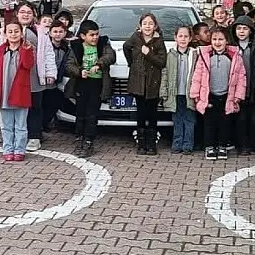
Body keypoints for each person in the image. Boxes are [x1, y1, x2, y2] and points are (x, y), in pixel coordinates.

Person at [190, 27, 247, 160]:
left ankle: (222, 146)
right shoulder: (205, 56)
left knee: (224, 123)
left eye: (220, 39)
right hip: (209, 95)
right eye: (214, 39)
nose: (217, 42)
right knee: (209, 123)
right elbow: (197, 76)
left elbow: (241, 76)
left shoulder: (234, 57)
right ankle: (209, 146)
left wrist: (239, 95)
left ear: (226, 40)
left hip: (227, 95)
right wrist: (195, 94)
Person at [65, 19, 117, 157]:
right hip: (81, 83)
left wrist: (99, 65)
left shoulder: (103, 44)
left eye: (96, 34)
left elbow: (111, 56)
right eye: (91, 35)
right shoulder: (76, 47)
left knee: (92, 113)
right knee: (80, 112)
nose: (95, 37)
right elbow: (69, 65)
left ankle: (89, 140)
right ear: (83, 36)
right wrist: (79, 71)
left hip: (97, 84)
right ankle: (79, 138)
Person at [0, 21, 35, 161]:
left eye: (16, 31)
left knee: (20, 125)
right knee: (5, 125)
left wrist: (25, 50)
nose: (13, 34)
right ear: (5, 34)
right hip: (4, 93)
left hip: (21, 92)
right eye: (10, 31)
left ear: (21, 33)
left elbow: (28, 65)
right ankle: (8, 148)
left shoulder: (27, 49)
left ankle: (19, 149)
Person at [123, 13, 168, 155]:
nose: (147, 26)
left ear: (155, 26)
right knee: (141, 113)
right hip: (138, 82)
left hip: (153, 82)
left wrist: (148, 53)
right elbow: (126, 48)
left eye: (150, 23)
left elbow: (162, 62)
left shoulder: (159, 41)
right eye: (145, 23)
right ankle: (141, 143)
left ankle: (152, 143)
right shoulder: (135, 38)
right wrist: (133, 64)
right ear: (140, 26)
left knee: (152, 113)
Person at [16, 1, 57, 152]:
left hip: (34, 74)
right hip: (14, 75)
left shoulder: (41, 32)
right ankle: (19, 134)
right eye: (22, 12)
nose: (25, 15)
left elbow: (48, 53)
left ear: (34, 15)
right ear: (17, 14)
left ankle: (34, 136)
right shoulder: (10, 29)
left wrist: (50, 73)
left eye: (29, 12)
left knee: (35, 106)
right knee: (17, 106)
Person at [162, 26, 199, 154]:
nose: (183, 39)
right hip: (175, 93)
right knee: (177, 119)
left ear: (190, 38)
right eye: (180, 36)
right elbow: (165, 73)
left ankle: (188, 145)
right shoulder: (170, 55)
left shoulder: (195, 55)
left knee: (189, 120)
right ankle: (177, 144)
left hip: (190, 94)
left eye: (186, 36)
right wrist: (164, 92)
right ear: (175, 38)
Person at [231, 16, 255, 155]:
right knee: (241, 119)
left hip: (253, 87)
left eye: (245, 28)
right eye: (238, 28)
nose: (242, 31)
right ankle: (243, 145)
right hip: (238, 90)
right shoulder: (231, 47)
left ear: (251, 31)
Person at [44, 20, 71, 133]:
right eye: (55, 31)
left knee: (54, 102)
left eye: (61, 31)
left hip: (57, 81)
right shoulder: (45, 46)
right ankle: (43, 124)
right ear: (50, 33)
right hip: (45, 80)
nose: (58, 34)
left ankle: (46, 122)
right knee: (43, 103)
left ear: (65, 33)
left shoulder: (66, 48)